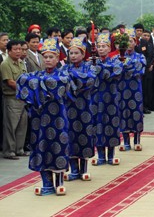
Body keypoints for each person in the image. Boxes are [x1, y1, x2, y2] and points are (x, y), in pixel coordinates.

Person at [17, 38, 75, 195]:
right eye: (45, 57)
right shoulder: (38, 74)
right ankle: (47, 184)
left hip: (58, 119)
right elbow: (21, 80)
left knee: (58, 146)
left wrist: (36, 82)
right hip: (40, 119)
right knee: (41, 147)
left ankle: (60, 183)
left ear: (57, 59)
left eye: (51, 57)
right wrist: (36, 81)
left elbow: (57, 83)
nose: (48, 60)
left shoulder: (63, 75)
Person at [61, 37, 98, 181]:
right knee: (70, 136)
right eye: (71, 53)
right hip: (69, 107)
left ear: (83, 54)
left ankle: (83, 169)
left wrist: (73, 77)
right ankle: (74, 170)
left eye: (77, 53)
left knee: (84, 135)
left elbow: (90, 80)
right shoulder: (64, 68)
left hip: (85, 107)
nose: (74, 56)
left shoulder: (90, 67)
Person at [91, 33, 124, 166]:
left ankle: (111, 155)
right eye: (99, 46)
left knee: (111, 124)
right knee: (98, 125)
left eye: (104, 46)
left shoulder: (116, 61)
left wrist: (99, 68)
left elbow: (114, 73)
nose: (101, 49)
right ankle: (100, 156)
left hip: (111, 98)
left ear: (109, 48)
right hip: (96, 98)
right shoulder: (93, 62)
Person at [119, 29, 146, 151]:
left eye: (131, 41)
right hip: (122, 88)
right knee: (123, 112)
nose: (129, 44)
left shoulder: (140, 56)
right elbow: (117, 70)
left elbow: (140, 69)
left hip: (135, 89)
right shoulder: (118, 58)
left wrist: (126, 66)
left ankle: (137, 140)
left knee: (136, 112)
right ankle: (125, 141)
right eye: (126, 42)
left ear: (135, 42)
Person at [1, 40, 28, 160]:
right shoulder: (5, 64)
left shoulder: (21, 62)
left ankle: (19, 149)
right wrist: (25, 89)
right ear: (9, 51)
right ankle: (9, 151)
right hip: (11, 97)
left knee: (22, 124)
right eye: (15, 49)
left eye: (20, 49)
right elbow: (10, 82)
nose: (19, 52)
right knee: (11, 125)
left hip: (23, 98)